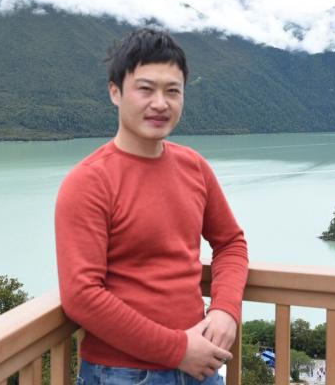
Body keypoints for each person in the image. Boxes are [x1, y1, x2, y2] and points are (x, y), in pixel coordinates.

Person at [55, 27, 249, 385]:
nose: (160, 103)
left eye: (172, 91)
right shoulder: (89, 181)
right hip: (122, 373)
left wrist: (225, 310)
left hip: (200, 365)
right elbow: (81, 296)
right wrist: (178, 349)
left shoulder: (194, 167)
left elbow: (230, 243)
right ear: (115, 92)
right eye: (145, 89)